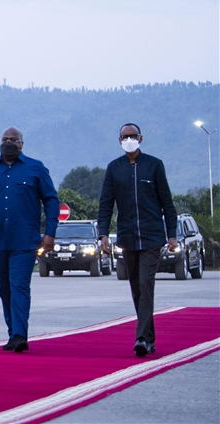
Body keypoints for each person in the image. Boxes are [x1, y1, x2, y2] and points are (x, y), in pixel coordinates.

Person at [0, 126, 58, 353]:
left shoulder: (36, 169)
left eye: (13, 140)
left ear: (21, 144)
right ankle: (12, 332)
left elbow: (51, 200)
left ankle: (19, 335)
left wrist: (50, 232)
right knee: (5, 289)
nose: (9, 142)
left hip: (25, 242)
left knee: (19, 287)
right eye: (5, 139)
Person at [98, 123, 177, 357]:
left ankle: (141, 338)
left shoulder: (154, 165)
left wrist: (171, 235)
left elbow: (167, 203)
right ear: (119, 140)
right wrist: (103, 233)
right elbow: (106, 204)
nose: (129, 139)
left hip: (152, 237)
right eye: (125, 136)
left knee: (145, 284)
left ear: (140, 139)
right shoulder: (114, 168)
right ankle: (149, 338)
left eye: (133, 136)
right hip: (127, 237)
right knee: (135, 288)